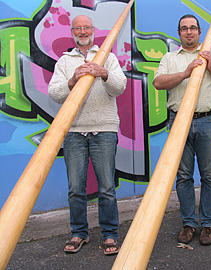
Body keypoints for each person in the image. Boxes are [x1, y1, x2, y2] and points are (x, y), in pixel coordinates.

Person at [153, 14, 211, 245]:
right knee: (183, 176)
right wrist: (186, 73)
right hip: (178, 121)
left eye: (193, 28)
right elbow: (158, 83)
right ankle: (189, 224)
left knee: (209, 176)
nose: (189, 32)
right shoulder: (170, 58)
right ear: (179, 33)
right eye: (184, 29)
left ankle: (207, 225)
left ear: (199, 32)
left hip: (208, 121)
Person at [48, 15, 127, 255]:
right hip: (73, 131)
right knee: (75, 188)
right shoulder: (64, 61)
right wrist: (73, 80)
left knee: (106, 187)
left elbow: (119, 87)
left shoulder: (108, 57)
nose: (83, 31)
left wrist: (103, 72)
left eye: (86, 27)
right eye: (78, 28)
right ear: (73, 31)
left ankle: (110, 234)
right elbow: (54, 93)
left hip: (104, 128)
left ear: (93, 30)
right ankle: (79, 233)